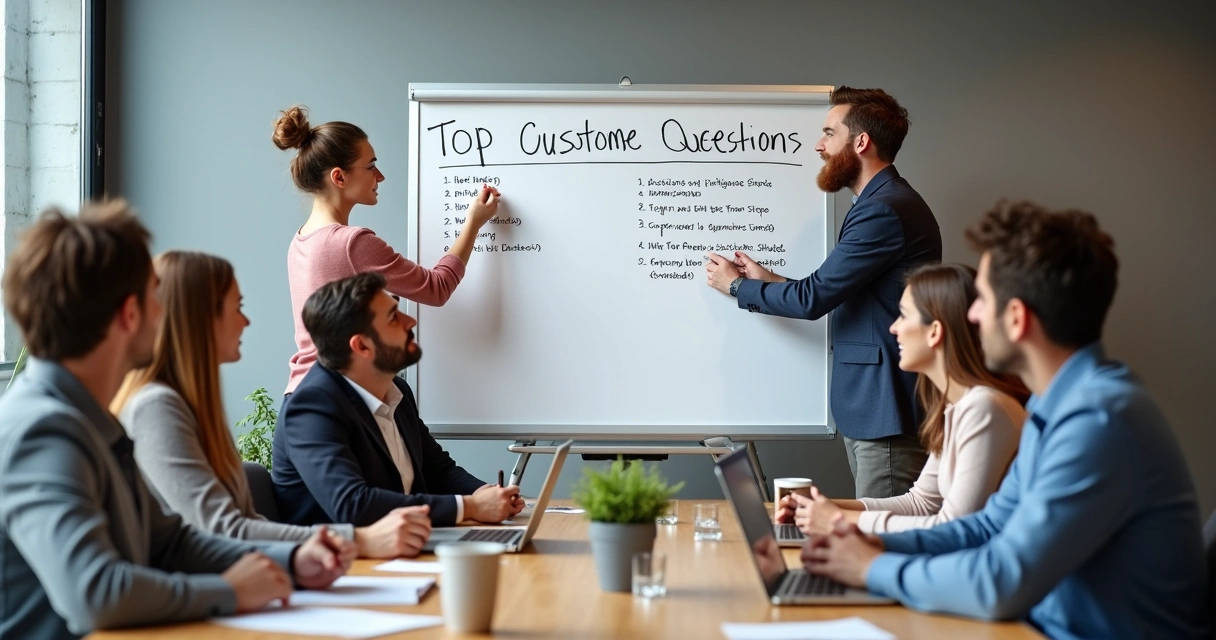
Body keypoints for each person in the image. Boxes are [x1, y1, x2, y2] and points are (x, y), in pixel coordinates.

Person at [801, 201, 1209, 639]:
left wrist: (873, 567)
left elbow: (1001, 582)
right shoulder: (1054, 409)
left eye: (983, 300)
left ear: (1016, 319)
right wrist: (874, 543)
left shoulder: (1097, 421)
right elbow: (987, 526)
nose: (972, 315)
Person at [0, 202, 350, 640]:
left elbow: (171, 542)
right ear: (130, 314)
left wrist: (291, 561)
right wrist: (230, 591)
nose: (163, 311)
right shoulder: (44, 429)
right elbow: (96, 593)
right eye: (154, 297)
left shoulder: (89, 418)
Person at [112, 251, 432, 558]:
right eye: (238, 307)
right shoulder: (156, 408)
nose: (246, 321)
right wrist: (357, 540)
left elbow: (243, 523)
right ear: (201, 319)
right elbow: (220, 529)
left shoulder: (192, 406)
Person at [705, 87, 941, 499]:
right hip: (875, 408)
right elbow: (835, 290)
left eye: (830, 134)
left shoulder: (883, 209)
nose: (819, 145)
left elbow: (813, 299)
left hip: (885, 409)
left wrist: (738, 286)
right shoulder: (881, 202)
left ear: (861, 142)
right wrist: (768, 279)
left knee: (880, 529)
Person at [776, 264, 1028, 534]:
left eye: (903, 316)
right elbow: (921, 503)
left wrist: (838, 519)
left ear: (935, 331)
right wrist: (819, 508)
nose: (893, 328)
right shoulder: (959, 406)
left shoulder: (984, 408)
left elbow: (955, 527)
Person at [273, 105, 502, 395]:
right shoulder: (352, 243)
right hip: (338, 397)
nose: (380, 176)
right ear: (339, 177)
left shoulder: (300, 240)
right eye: (371, 166)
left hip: (304, 392)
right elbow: (437, 288)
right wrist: (473, 223)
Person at [272, 272, 523, 528]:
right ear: (362, 346)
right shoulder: (312, 408)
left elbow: (438, 470)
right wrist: (470, 507)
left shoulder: (397, 391)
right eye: (393, 317)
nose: (411, 320)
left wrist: (486, 494)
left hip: (410, 544)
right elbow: (353, 505)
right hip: (344, 552)